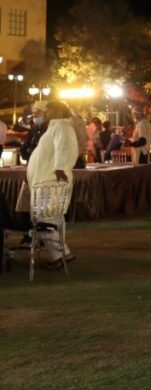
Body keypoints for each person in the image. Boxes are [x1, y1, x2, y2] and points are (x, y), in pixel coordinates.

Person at [23, 100, 78, 267]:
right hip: (46, 181)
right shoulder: (55, 127)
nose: (45, 114)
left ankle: (58, 256)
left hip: (51, 181)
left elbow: (64, 148)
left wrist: (60, 168)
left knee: (45, 218)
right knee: (52, 218)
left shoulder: (62, 126)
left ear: (60, 113)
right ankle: (62, 254)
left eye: (49, 110)